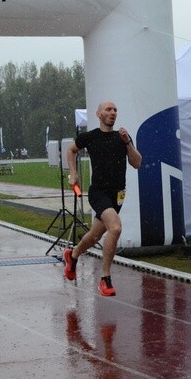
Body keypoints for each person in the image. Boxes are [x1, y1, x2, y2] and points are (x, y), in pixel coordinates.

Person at [62, 100, 142, 297]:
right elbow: (70, 150)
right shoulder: (90, 137)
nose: (113, 112)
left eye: (115, 109)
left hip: (118, 194)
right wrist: (73, 174)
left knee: (95, 235)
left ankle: (72, 255)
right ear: (98, 114)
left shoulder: (122, 137)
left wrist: (128, 143)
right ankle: (105, 279)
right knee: (115, 227)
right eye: (108, 109)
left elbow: (137, 163)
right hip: (98, 192)